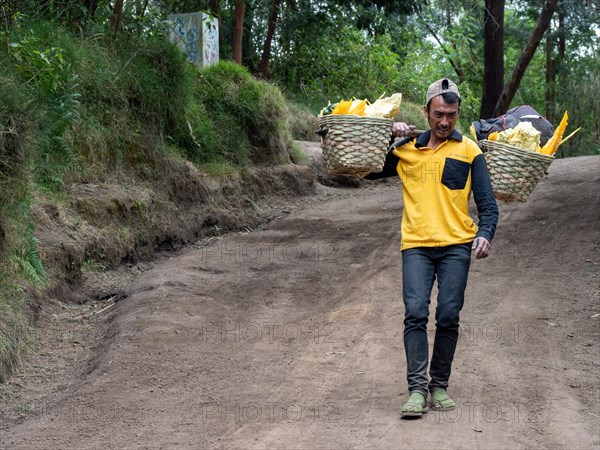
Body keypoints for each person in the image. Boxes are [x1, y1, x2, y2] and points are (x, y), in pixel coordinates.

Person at [365, 78, 499, 417]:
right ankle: (416, 390)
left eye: (451, 115)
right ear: (426, 112)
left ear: (457, 114)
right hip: (417, 246)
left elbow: (488, 204)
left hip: (456, 245)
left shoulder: (470, 151)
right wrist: (387, 135)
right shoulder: (405, 149)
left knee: (448, 315)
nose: (444, 122)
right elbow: (365, 171)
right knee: (415, 313)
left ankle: (439, 386)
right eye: (438, 114)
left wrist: (485, 233)